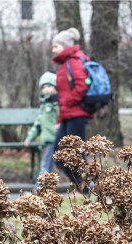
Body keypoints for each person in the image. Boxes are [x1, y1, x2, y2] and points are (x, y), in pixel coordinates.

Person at [51, 27, 93, 193]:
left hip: (77, 115)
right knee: (60, 155)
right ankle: (84, 187)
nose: (53, 50)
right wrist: (60, 119)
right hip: (68, 115)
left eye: (55, 46)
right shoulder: (66, 63)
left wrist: (68, 103)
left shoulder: (75, 61)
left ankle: (87, 188)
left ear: (64, 46)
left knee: (74, 155)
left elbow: (82, 86)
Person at [25, 71, 59, 191]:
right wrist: (30, 138)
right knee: (53, 164)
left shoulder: (57, 103)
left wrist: (59, 124)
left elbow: (62, 116)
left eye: (49, 86)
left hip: (56, 138)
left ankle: (39, 189)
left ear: (56, 87)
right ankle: (43, 189)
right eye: (43, 87)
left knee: (46, 165)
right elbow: (38, 124)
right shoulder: (44, 104)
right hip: (48, 140)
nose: (46, 90)